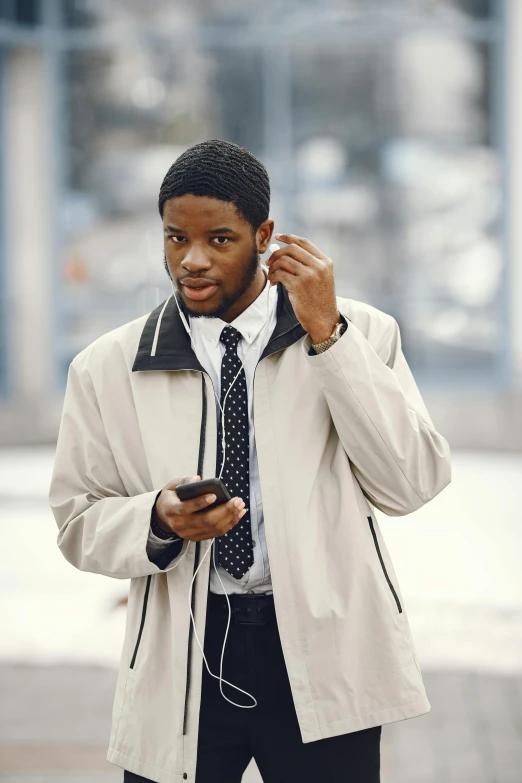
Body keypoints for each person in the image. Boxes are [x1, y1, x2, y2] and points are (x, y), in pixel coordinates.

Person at [49, 139, 451, 783]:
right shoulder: (106, 368)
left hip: (321, 650)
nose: (193, 260)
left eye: (220, 239)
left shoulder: (362, 333)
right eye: (176, 238)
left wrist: (329, 338)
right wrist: (156, 521)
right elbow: (76, 523)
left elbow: (412, 483)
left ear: (265, 235)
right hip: (183, 653)